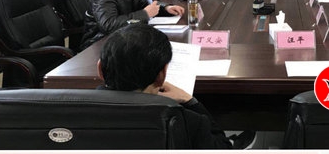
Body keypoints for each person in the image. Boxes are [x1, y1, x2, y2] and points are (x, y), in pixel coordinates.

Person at [97, 23, 232, 149]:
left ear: (100, 69)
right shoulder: (188, 122)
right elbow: (224, 147)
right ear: (162, 75)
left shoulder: (84, 113)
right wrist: (191, 102)